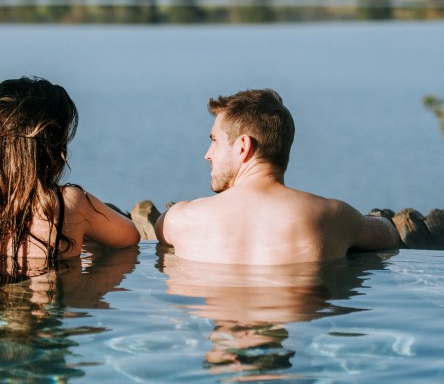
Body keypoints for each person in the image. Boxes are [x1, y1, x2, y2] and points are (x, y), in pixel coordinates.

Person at [155, 88, 399, 265]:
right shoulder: (330, 216)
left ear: (242, 147)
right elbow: (387, 234)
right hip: (298, 330)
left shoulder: (181, 219)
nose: (207, 155)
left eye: (214, 142)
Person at [0, 77, 139, 266]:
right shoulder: (68, 203)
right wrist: (83, 229)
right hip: (51, 299)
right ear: (56, 149)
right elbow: (130, 236)